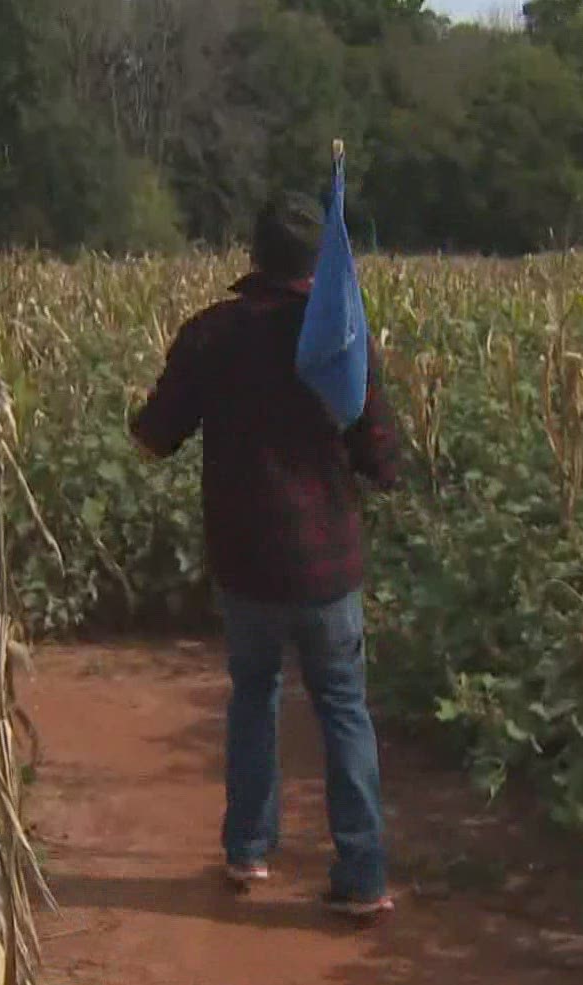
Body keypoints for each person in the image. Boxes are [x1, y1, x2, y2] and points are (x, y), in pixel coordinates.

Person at [129, 192, 402, 920]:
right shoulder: (342, 337)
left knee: (254, 696)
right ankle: (363, 876)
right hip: (328, 564)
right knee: (343, 708)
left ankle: (249, 850)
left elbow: (156, 433)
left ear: (253, 256)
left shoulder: (213, 334)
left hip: (246, 560)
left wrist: (144, 417)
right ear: (321, 262)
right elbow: (381, 454)